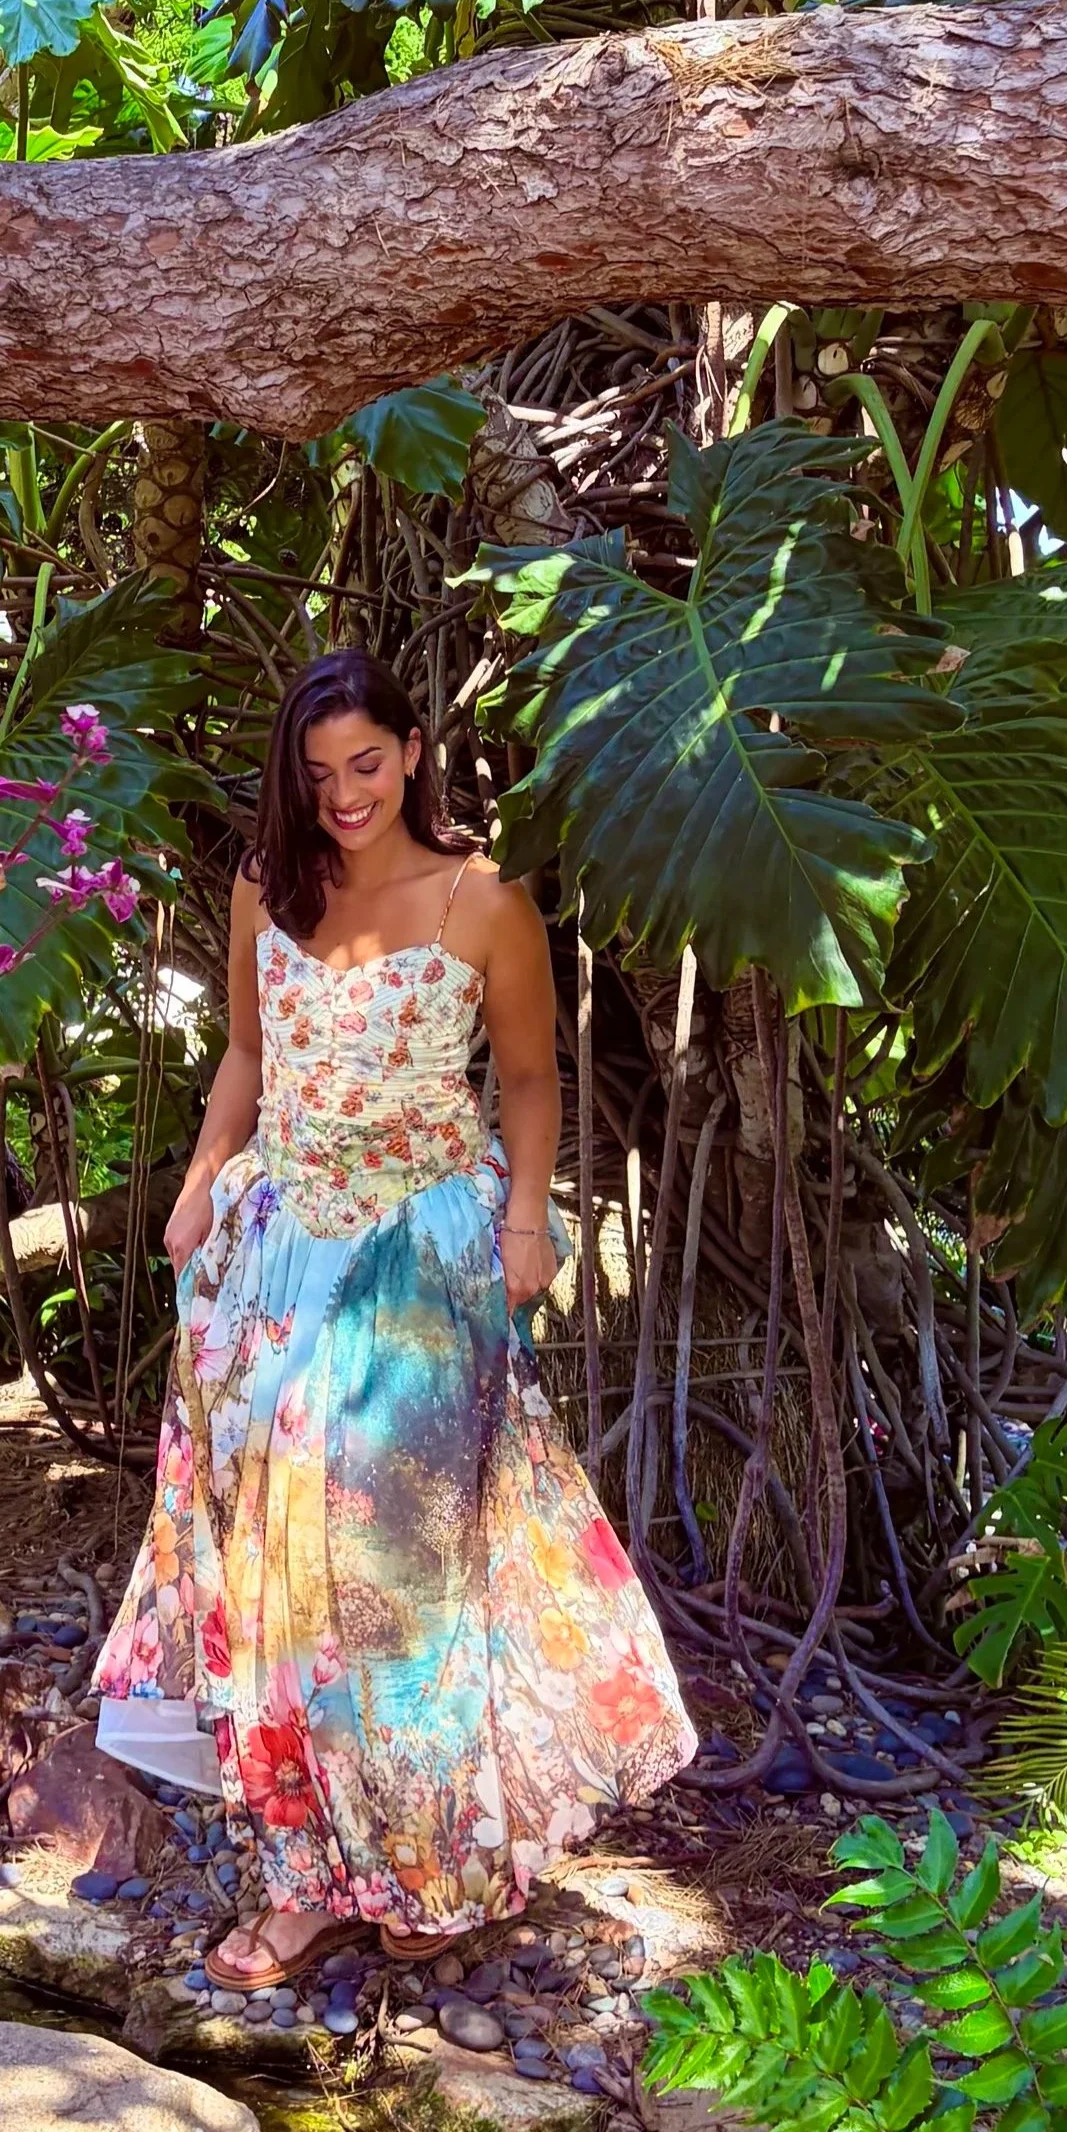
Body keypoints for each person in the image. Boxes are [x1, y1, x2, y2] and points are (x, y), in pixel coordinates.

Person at [92, 650, 694, 1990]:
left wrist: (530, 1220)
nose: (345, 794)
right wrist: (198, 1185)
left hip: (421, 1255)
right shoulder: (268, 884)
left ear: (415, 750)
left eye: (366, 763)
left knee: (395, 1579)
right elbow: (246, 1055)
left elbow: (531, 1079)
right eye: (319, 775)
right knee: (276, 1578)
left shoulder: (485, 903)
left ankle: (429, 1860)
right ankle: (306, 1882)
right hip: (276, 1261)